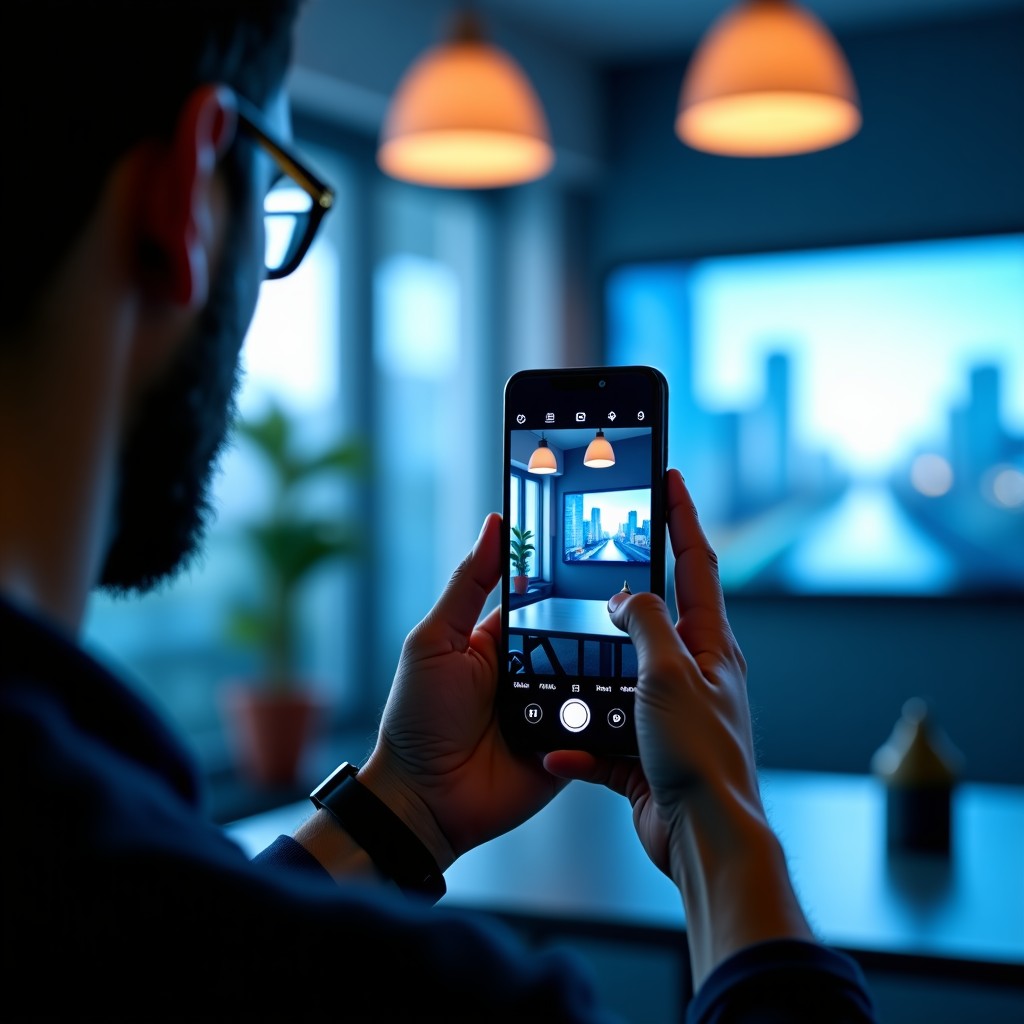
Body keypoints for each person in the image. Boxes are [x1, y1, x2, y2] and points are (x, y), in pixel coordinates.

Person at [0, 2, 877, 1020]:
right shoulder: (446, 1000)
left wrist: (404, 805)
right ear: (188, 195)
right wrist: (719, 822)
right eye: (279, 198)